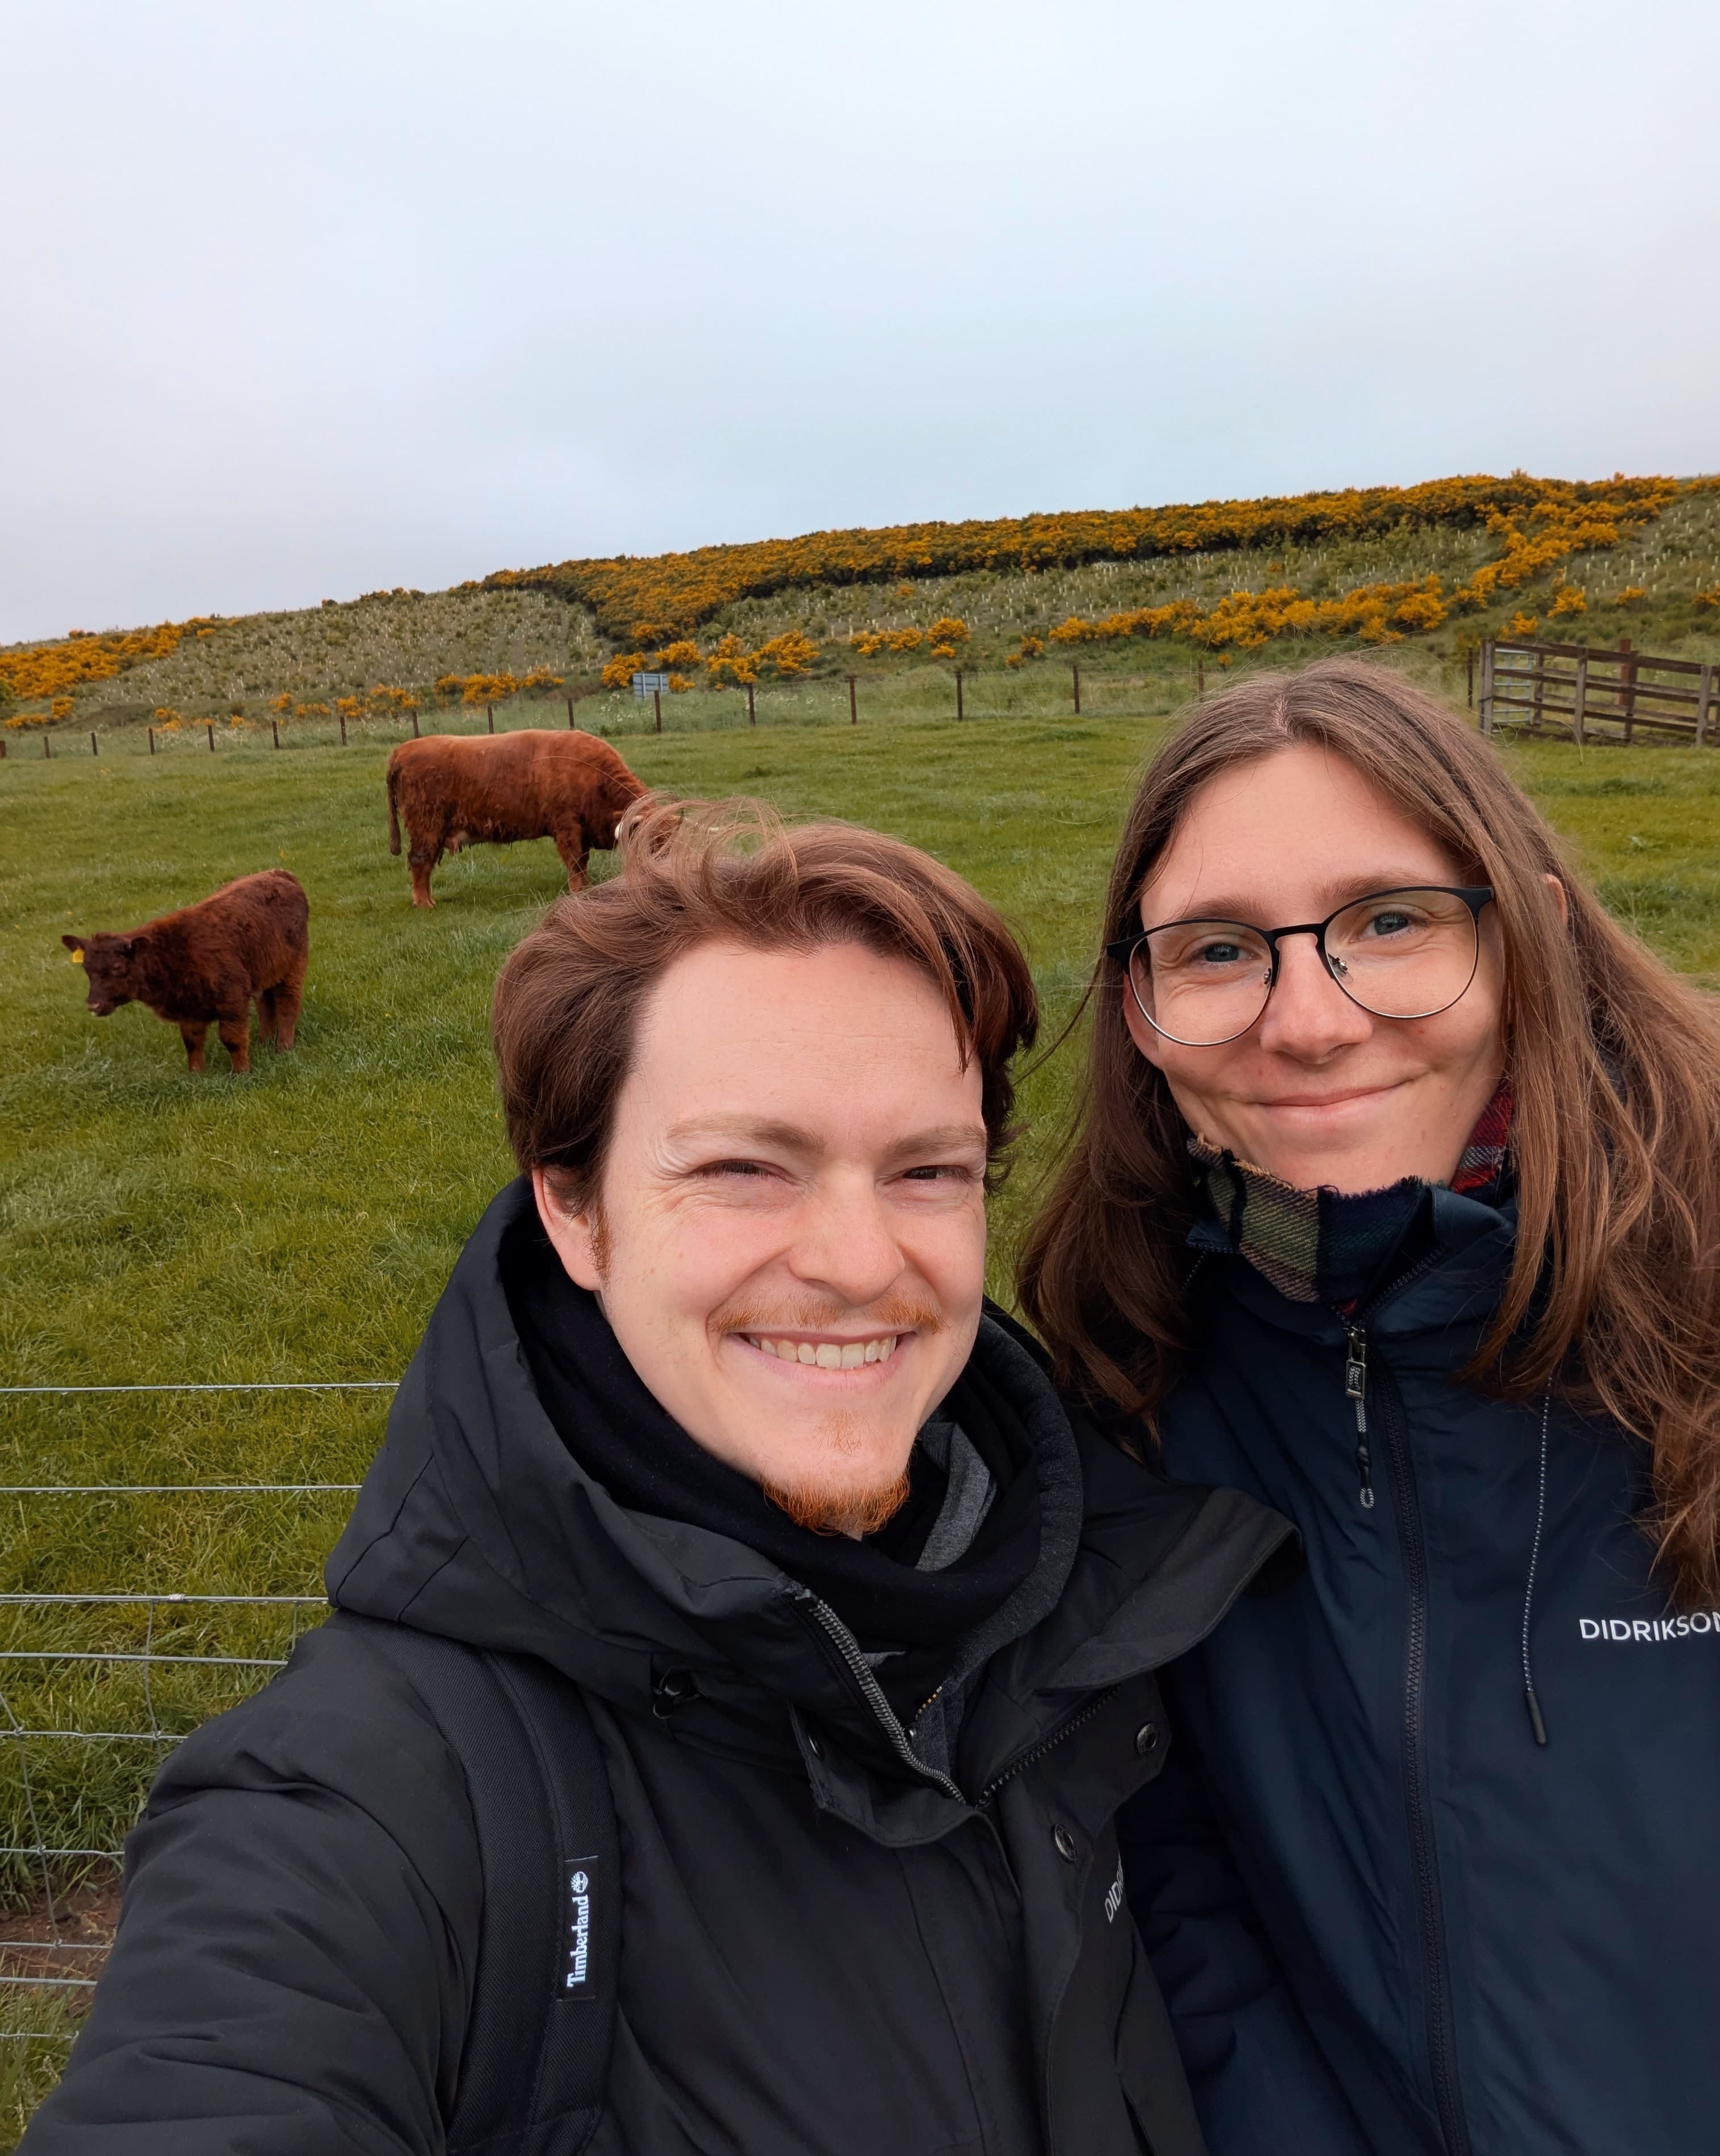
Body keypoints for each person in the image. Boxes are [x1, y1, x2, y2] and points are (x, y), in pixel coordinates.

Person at [24, 800, 1290, 2156]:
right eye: (745, 1166)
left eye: (928, 1170)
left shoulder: (1096, 1618)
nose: (860, 1262)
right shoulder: (366, 1804)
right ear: (571, 1209)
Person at [1019, 657, 1720, 2156]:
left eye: (1391, 921)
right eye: (1219, 950)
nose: (1309, 1022)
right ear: (1140, 1007)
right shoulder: (1118, 1373)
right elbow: (1164, 1861)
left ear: (1530, 937)